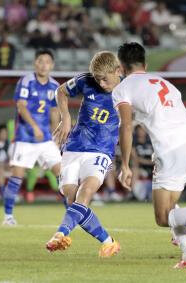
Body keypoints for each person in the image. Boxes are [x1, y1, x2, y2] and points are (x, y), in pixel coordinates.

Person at [112, 42, 186, 269]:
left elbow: (126, 126)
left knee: (163, 217)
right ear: (145, 64)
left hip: (171, 149)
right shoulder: (165, 83)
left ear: (120, 68)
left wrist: (127, 166)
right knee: (173, 211)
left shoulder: (123, 88)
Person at [45, 51, 121, 258]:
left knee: (85, 192)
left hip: (101, 150)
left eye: (105, 78)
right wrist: (66, 118)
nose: (102, 83)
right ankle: (109, 242)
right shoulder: (85, 81)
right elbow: (61, 91)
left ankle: (60, 234)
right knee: (72, 201)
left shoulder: (128, 90)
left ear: (118, 71)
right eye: (98, 79)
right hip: (74, 146)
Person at [2, 49, 61, 226]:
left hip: (45, 140)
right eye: (40, 61)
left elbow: (54, 111)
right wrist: (34, 126)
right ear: (35, 63)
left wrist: (55, 134)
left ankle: (73, 216)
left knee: (64, 176)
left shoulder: (55, 86)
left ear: (52, 65)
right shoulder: (26, 81)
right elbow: (21, 106)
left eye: (47, 62)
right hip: (25, 138)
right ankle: (8, 217)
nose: (44, 65)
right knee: (17, 177)